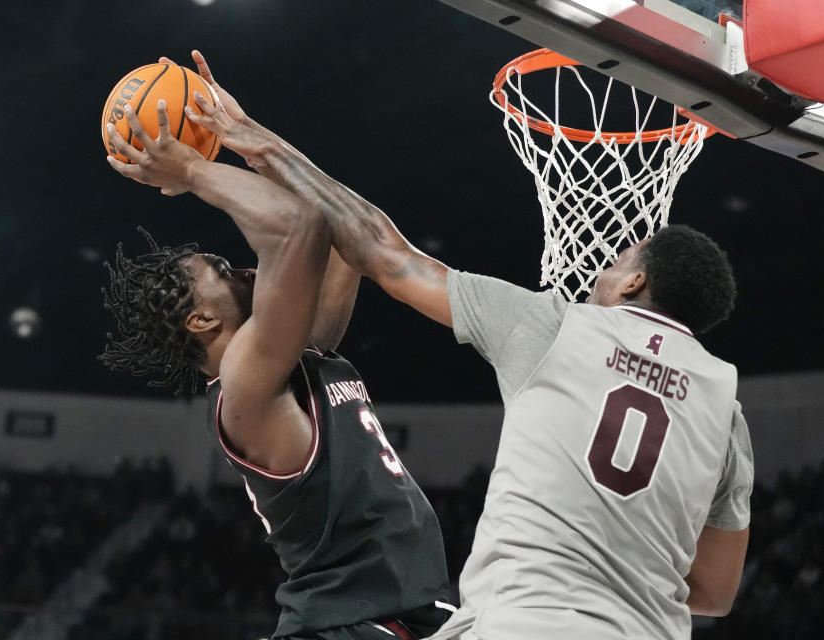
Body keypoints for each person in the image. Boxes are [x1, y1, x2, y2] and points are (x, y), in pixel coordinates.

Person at [178, 50, 753, 640]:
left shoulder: (556, 327)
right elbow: (713, 592)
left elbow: (381, 251)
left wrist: (246, 138)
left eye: (620, 263)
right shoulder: (727, 415)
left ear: (635, 283)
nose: (604, 267)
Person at [100, 94, 452, 640]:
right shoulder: (245, 385)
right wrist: (192, 169)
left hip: (391, 615)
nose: (242, 268)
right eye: (222, 271)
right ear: (200, 320)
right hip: (342, 625)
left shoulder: (290, 351)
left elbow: (345, 231)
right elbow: (299, 227)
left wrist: (249, 137)